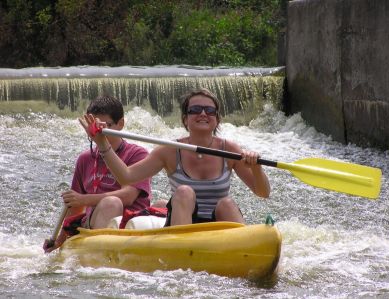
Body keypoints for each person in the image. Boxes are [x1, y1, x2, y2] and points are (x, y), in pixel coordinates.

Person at [79, 88, 270, 226]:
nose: (203, 113)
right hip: (181, 223)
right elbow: (126, 177)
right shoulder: (170, 150)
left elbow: (263, 193)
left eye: (209, 110)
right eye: (195, 110)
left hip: (217, 226)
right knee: (184, 191)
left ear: (217, 119)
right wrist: (103, 144)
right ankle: (182, 257)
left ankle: (244, 251)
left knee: (227, 203)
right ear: (185, 119)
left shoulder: (230, 150)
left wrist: (256, 167)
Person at [43, 95, 153, 253]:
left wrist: (84, 199)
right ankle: (101, 259)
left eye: (104, 126)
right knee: (111, 203)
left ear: (120, 124)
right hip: (96, 222)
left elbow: (129, 196)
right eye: (93, 125)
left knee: (159, 205)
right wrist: (59, 242)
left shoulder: (137, 154)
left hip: (132, 224)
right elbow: (75, 207)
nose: (97, 131)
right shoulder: (84, 159)